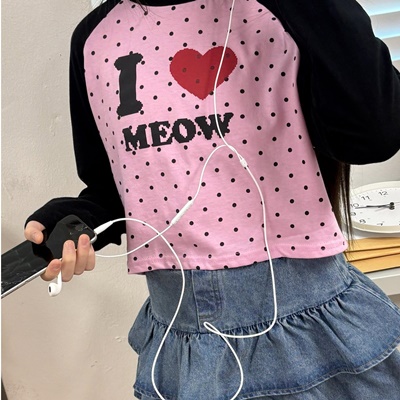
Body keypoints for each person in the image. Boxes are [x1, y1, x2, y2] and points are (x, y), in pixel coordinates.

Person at [24, 0, 400, 398]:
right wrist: (78, 218)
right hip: (185, 347)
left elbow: (374, 134)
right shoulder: (94, 39)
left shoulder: (281, 10)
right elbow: (114, 188)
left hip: (316, 333)